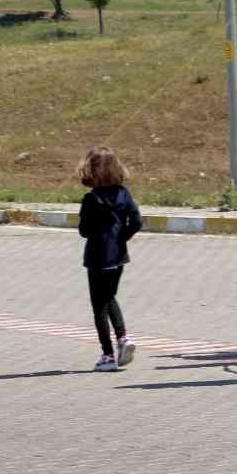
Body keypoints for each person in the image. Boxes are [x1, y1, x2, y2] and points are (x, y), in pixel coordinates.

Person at [77, 146, 142, 372]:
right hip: (118, 256)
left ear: (90, 170)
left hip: (97, 257)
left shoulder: (91, 199)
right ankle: (123, 338)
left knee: (99, 307)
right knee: (110, 296)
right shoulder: (124, 193)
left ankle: (107, 355)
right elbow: (136, 222)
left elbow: (84, 231)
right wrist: (121, 238)